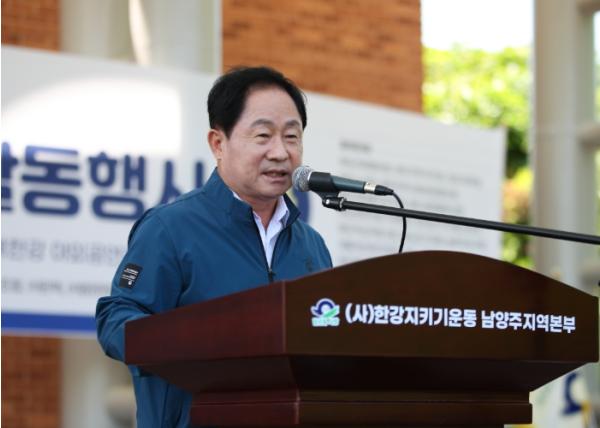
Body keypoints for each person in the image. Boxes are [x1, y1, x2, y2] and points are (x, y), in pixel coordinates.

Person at [95, 66, 332, 427]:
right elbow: (116, 319)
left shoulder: (311, 245)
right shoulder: (169, 229)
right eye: (263, 135)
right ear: (218, 144)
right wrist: (194, 344)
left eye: (292, 137)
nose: (280, 152)